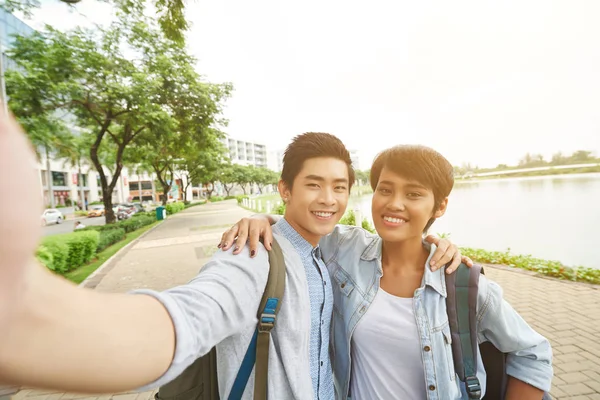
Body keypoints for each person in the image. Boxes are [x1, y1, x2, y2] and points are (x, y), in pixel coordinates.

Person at [0, 119, 468, 399]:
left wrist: (436, 245)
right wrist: (29, 326)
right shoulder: (251, 255)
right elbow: (194, 312)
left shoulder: (333, 248)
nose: (328, 199)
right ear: (284, 189)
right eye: (312, 184)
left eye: (340, 187)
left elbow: (398, 235)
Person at [220, 145, 553, 399]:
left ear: (439, 206)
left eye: (413, 194)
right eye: (385, 189)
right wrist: (262, 221)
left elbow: (533, 354)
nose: (394, 203)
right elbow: (301, 226)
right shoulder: (345, 251)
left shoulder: (464, 284)